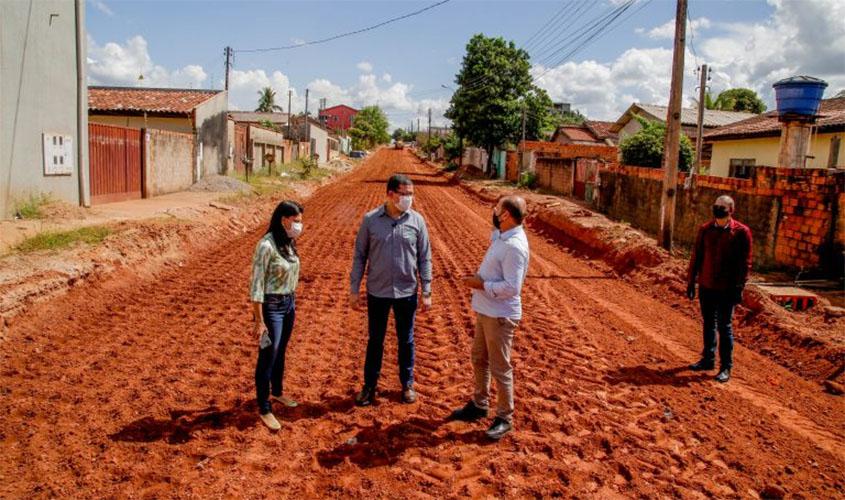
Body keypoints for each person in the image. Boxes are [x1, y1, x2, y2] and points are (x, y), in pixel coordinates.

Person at [450, 195, 530, 441]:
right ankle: (479, 403)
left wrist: (481, 284)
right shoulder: (502, 236)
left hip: (500, 315)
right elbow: (496, 242)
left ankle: (504, 416)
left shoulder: (515, 246)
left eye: (497, 210)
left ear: (506, 215)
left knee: (500, 366)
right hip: (487, 310)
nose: (493, 212)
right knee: (479, 358)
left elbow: (512, 287)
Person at [350, 174, 433, 406]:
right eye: (404, 194)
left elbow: (425, 258)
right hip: (378, 292)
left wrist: (427, 290)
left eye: (411, 194)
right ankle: (369, 386)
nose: (409, 198)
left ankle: (407, 384)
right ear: (390, 194)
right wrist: (354, 288)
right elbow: (360, 256)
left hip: (407, 292)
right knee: (375, 340)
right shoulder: (371, 220)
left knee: (406, 340)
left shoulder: (417, 221)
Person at [249, 200, 304, 430]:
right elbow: (257, 285)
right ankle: (264, 407)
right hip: (272, 306)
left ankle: (277, 392)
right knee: (268, 355)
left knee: (280, 351)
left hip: (288, 303)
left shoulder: (288, 243)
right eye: (297, 221)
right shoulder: (266, 246)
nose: (300, 225)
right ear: (284, 220)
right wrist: (259, 320)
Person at [686, 195, 752, 383]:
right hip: (707, 285)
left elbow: (745, 263)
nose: (718, 209)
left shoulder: (741, 232)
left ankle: (726, 367)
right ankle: (708, 359)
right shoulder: (706, 230)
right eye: (716, 205)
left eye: (722, 206)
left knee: (725, 326)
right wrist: (691, 281)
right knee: (708, 323)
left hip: (727, 288)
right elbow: (696, 256)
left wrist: (739, 287)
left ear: (731, 210)